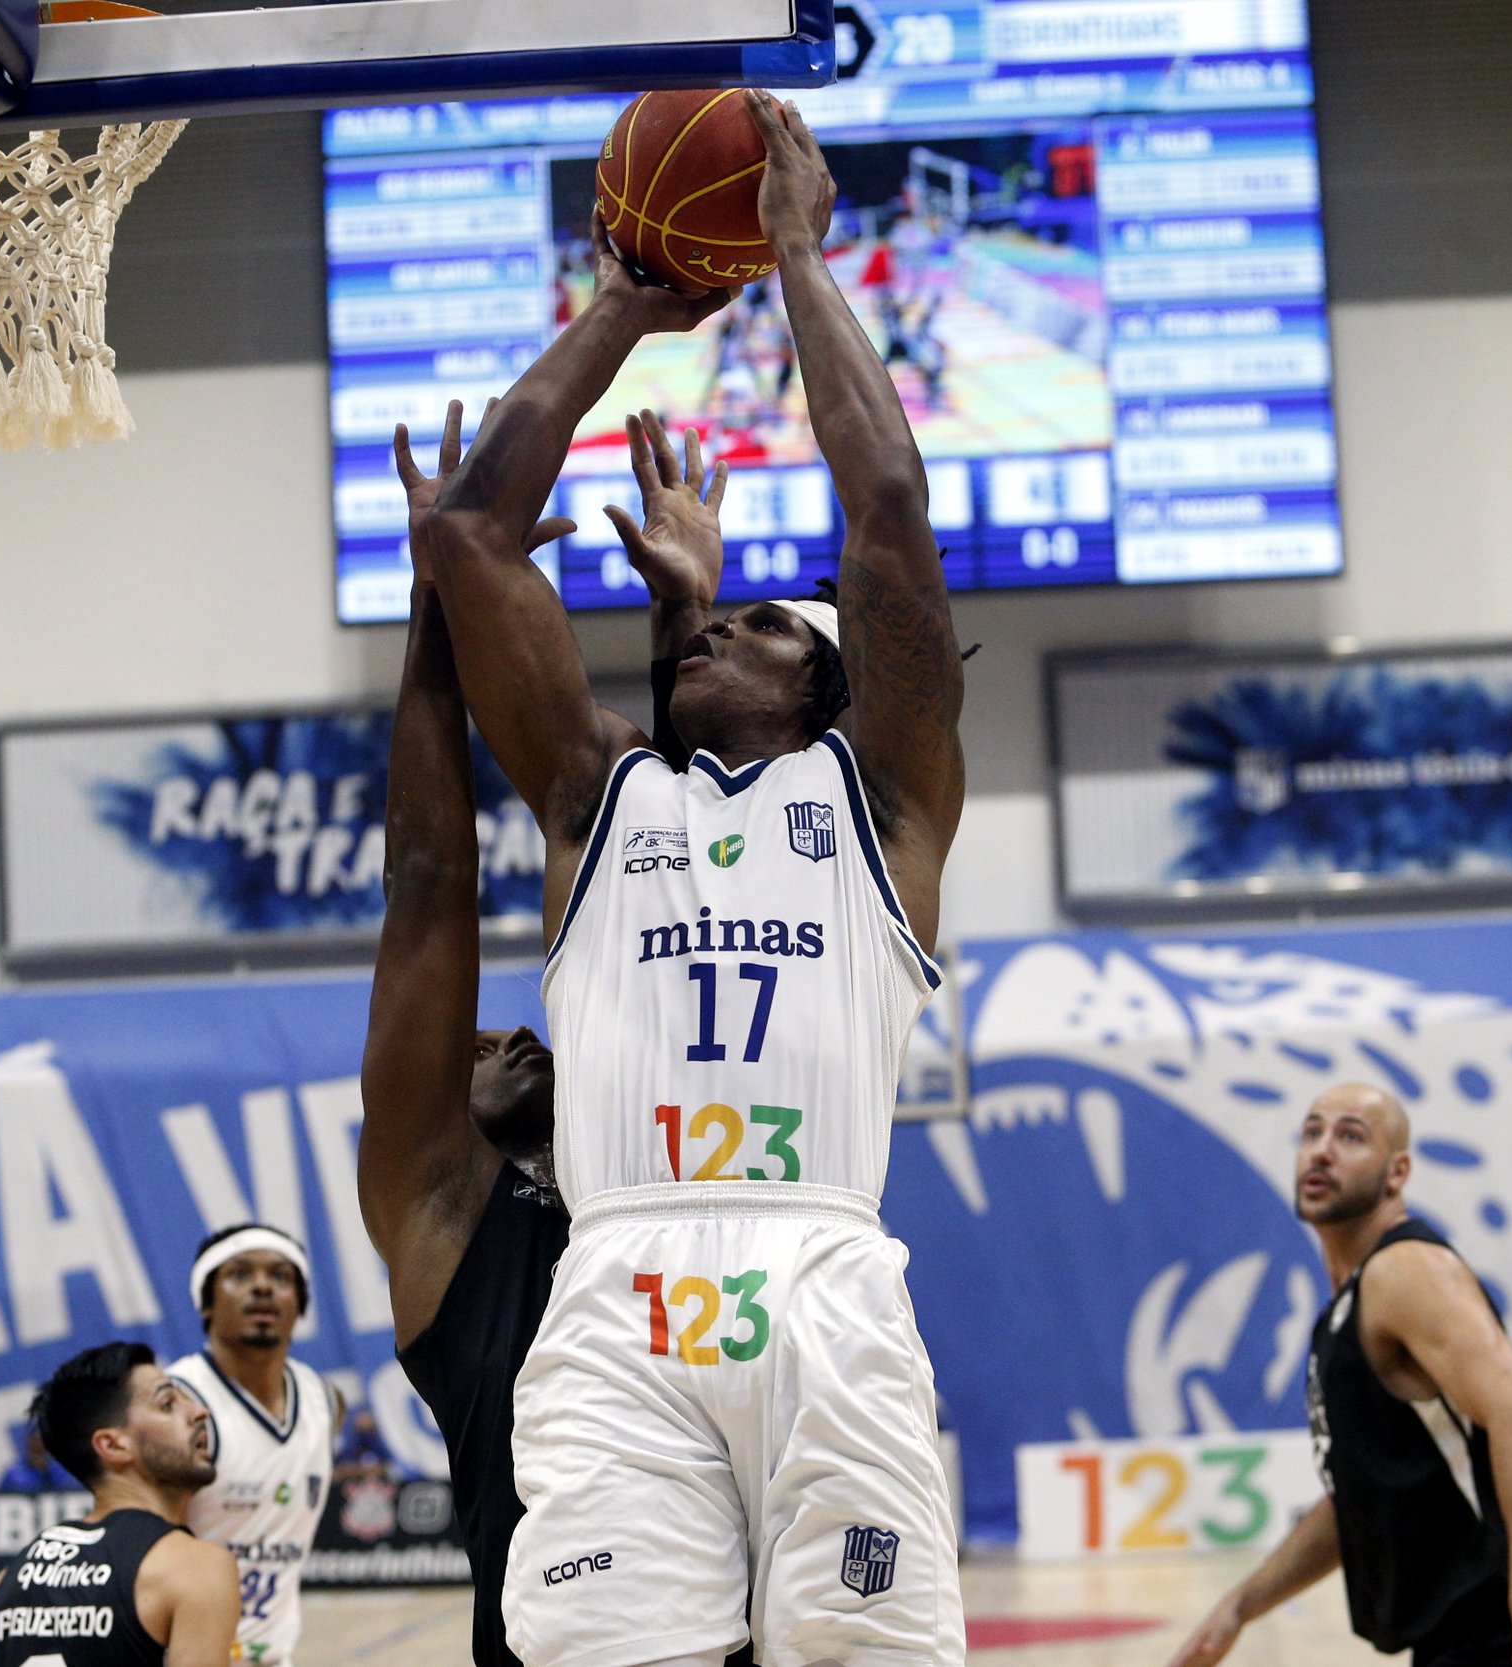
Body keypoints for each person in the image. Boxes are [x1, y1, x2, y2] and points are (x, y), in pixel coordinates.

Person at [417, 90, 967, 1667]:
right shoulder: (600, 801)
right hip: (620, 1277)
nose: (731, 626)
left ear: (835, 688)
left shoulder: (890, 804)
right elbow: (467, 538)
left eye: (773, 626)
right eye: (724, 621)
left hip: (823, 1274)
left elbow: (890, 514)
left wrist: (794, 246)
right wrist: (626, 307)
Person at [362, 399, 749, 1667]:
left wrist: (685, 623)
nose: (510, 1039)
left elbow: (671, 876)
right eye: (477, 1047)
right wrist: (437, 605)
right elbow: (428, 880)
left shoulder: (645, 1158)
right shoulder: (441, 1215)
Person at [1166, 1083, 1512, 1667]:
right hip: (1459, 1635)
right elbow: (1354, 1503)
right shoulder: (1346, 1311)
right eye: (1312, 1132)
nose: (1321, 1150)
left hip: (1505, 1625)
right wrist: (1240, 1606)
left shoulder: (1403, 1270)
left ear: (1397, 1172)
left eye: (1350, 1136)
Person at [0, 1341, 240, 1667]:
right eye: (167, 1404)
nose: (199, 1412)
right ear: (112, 1445)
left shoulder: (11, 1579)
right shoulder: (196, 1567)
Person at [167, 1224, 340, 1667]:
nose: (263, 1286)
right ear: (206, 1303)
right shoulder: (178, 1405)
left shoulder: (325, 1401)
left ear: (300, 1306)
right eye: (240, 1274)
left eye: (281, 1277)